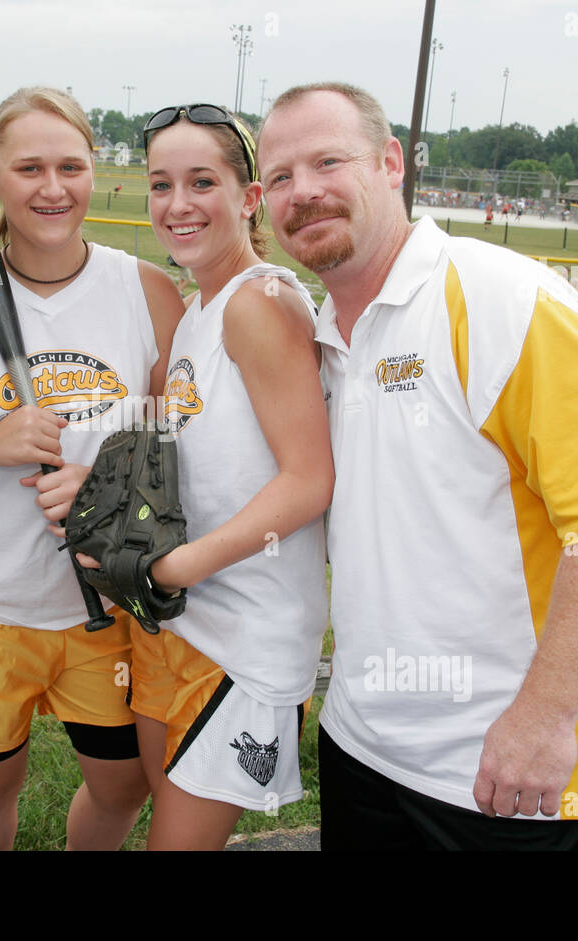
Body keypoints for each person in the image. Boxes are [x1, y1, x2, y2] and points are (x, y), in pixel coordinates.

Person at [256, 82, 578, 850]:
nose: (305, 191)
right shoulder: (322, 338)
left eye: (329, 160)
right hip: (361, 746)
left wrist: (545, 716)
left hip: (504, 773)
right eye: (282, 176)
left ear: (391, 162)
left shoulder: (499, 298)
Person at [0, 87, 185, 850]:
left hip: (105, 603)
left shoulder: (145, 290)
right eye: (29, 167)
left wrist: (106, 482)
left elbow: (182, 435)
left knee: (121, 782)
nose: (54, 187)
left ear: (95, 171)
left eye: (71, 165)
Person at [121, 103, 332, 850]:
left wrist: (176, 565)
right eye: (160, 184)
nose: (177, 205)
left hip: (244, 633)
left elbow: (310, 480)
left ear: (248, 198)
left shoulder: (260, 302)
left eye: (201, 181)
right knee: (161, 814)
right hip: (176, 616)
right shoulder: (194, 310)